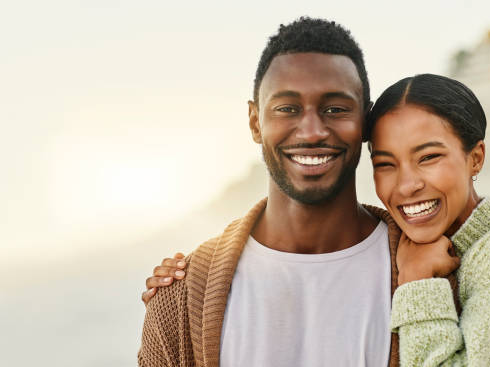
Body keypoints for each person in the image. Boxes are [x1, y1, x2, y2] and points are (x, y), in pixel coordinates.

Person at [146, 74, 490, 366]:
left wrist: (417, 284)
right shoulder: (450, 246)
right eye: (386, 163)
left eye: (429, 157)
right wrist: (192, 277)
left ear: (476, 157)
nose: (407, 185)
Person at [138, 17, 417, 367]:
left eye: (335, 109)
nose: (313, 131)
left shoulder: (431, 271)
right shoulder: (179, 297)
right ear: (255, 122)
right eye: (287, 108)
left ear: (365, 121)